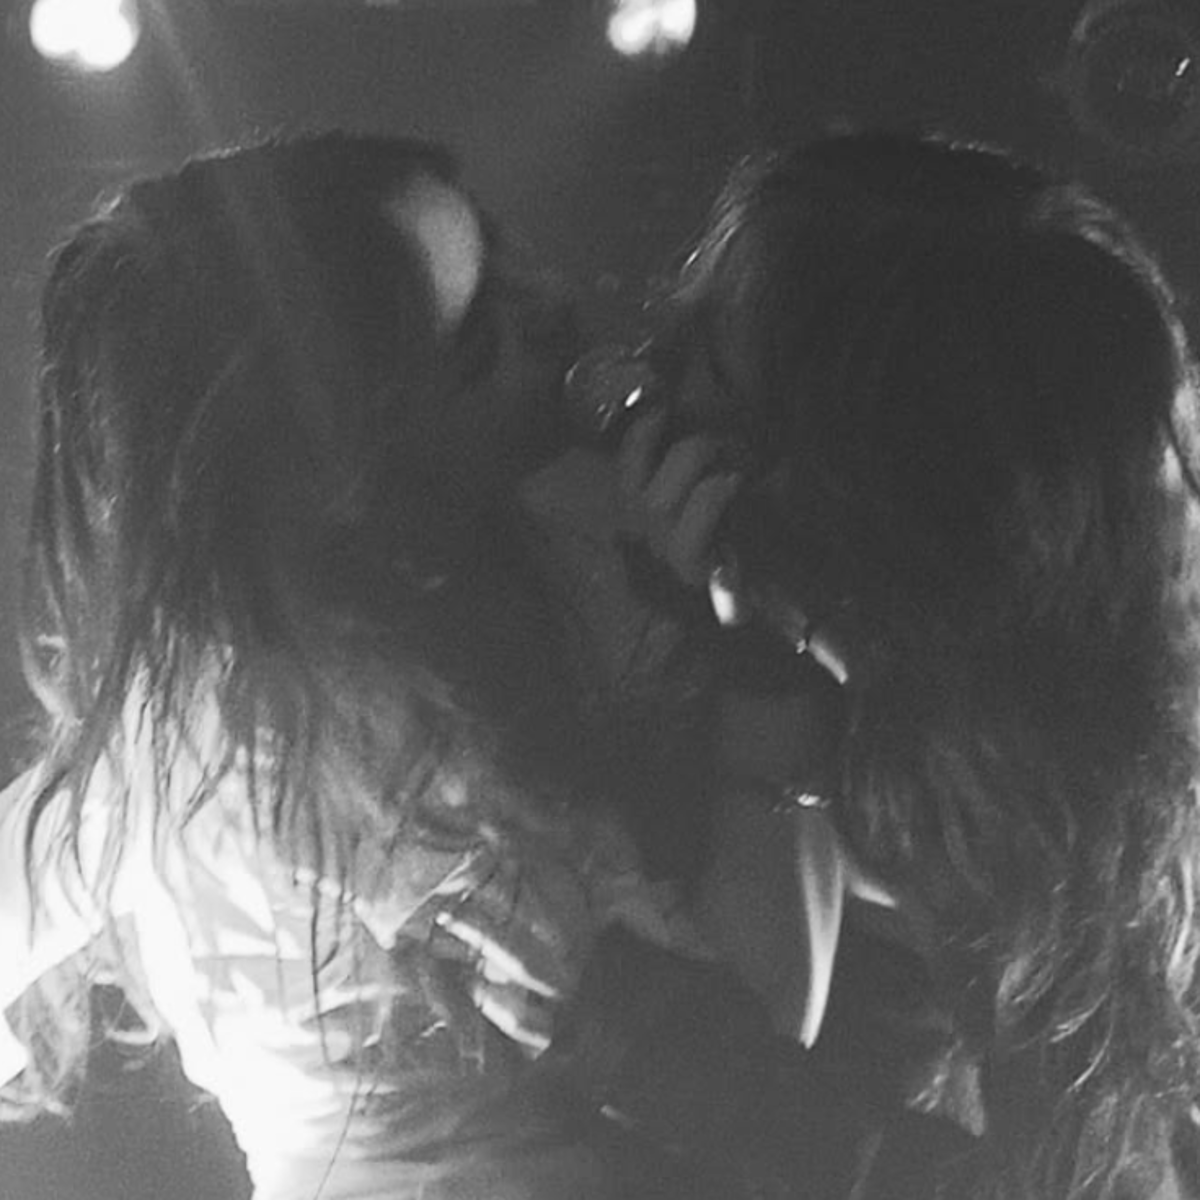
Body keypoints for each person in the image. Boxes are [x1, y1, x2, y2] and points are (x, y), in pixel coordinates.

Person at [0, 128, 715, 1200]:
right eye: (481, 327)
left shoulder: (191, 698)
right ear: (351, 443)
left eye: (500, 243)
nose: (551, 302)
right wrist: (761, 683)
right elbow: (751, 1070)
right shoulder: (340, 739)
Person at [543, 130, 1200, 1199]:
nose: (645, 378)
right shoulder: (898, 651)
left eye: (710, 364)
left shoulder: (1063, 789)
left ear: (857, 467)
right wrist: (765, 645)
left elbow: (1088, 1169)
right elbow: (779, 995)